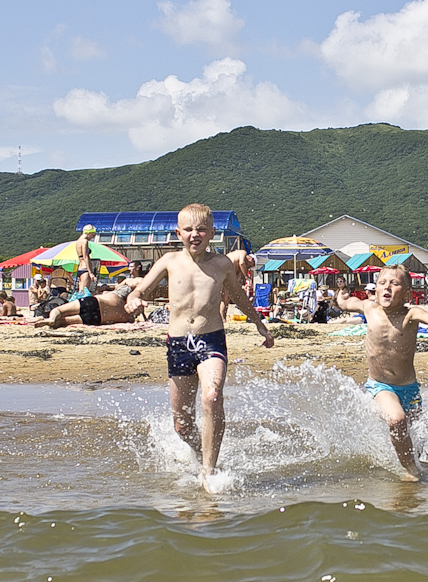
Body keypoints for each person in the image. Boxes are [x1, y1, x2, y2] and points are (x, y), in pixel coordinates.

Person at [124, 204, 274, 492]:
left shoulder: (221, 265)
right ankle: (200, 452)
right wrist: (134, 298)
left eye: (202, 229)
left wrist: (259, 324)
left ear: (213, 233)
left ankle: (209, 470)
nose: (195, 234)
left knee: (212, 395)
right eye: (189, 230)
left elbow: (240, 298)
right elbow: (140, 288)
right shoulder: (168, 261)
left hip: (211, 339)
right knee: (182, 425)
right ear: (178, 233)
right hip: (178, 344)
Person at [336, 265, 428, 481]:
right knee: (397, 420)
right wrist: (341, 298)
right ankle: (412, 472)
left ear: (407, 292)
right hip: (381, 386)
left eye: (395, 284)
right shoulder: (370, 309)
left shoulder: (410, 314)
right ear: (376, 289)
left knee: (414, 441)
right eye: (382, 283)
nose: (387, 287)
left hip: (410, 388)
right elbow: (349, 303)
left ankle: (410, 463)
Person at [34, 272, 145, 329]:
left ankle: (52, 318)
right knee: (64, 321)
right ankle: (56, 321)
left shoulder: (130, 283)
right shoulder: (132, 306)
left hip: (95, 302)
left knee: (59, 310)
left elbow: (115, 289)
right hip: (99, 319)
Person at [220, 250, 256, 324]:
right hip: (222, 268)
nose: (249, 268)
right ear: (251, 259)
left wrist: (243, 287)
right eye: (250, 265)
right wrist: (247, 277)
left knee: (225, 299)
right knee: (218, 298)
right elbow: (242, 263)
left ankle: (223, 319)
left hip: (225, 273)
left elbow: (235, 282)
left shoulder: (238, 271)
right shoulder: (243, 253)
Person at [75, 224, 97, 294]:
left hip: (80, 268)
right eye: (92, 235)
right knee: (84, 293)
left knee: (80, 292)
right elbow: (85, 256)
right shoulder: (84, 241)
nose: (92, 238)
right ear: (88, 233)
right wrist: (90, 273)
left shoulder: (78, 241)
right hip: (85, 268)